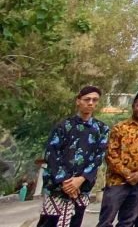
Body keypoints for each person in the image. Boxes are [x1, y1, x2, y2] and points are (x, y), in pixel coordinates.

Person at [38, 86, 109, 227]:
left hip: (81, 188)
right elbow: (51, 154)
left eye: (94, 100)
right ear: (78, 101)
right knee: (48, 222)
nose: (90, 103)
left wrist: (80, 180)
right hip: (57, 189)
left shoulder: (102, 129)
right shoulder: (63, 126)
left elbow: (98, 157)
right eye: (87, 99)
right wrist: (65, 182)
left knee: (74, 222)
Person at [98, 89, 138, 227]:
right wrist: (128, 174)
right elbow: (111, 155)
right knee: (106, 221)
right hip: (118, 182)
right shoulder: (120, 127)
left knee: (128, 221)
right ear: (133, 106)